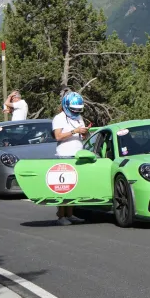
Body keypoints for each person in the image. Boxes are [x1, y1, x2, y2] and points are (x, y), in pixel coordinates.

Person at [52, 92, 89, 226]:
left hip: (78, 154)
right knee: (64, 187)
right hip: (64, 155)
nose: (76, 112)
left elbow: (82, 135)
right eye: (74, 110)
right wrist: (75, 131)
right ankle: (61, 215)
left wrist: (84, 133)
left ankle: (70, 214)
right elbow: (58, 136)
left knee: (74, 187)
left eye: (78, 110)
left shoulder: (79, 117)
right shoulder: (59, 118)